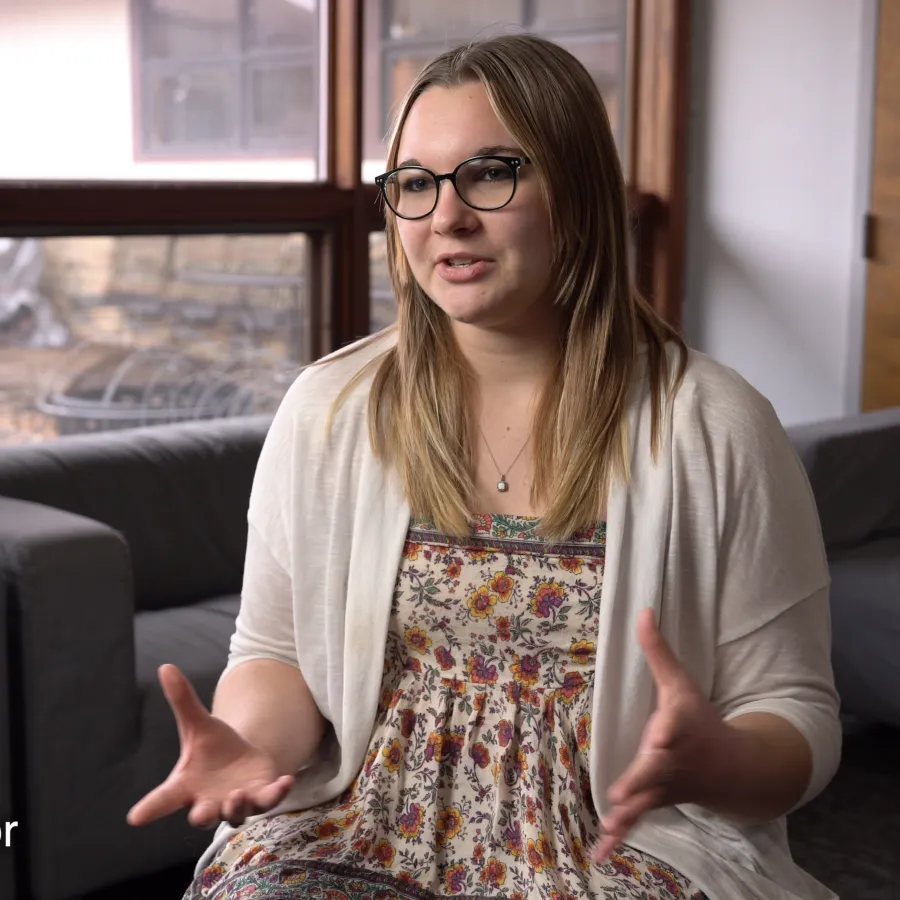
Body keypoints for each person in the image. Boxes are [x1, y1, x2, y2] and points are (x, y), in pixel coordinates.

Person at [127, 33, 842, 900]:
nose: (446, 218)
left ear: (575, 191)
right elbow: (276, 652)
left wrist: (721, 762)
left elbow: (796, 709)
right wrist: (251, 744)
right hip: (366, 816)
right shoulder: (328, 411)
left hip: (616, 843)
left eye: (492, 173)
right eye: (417, 185)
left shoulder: (715, 426)